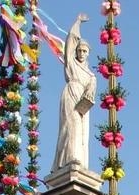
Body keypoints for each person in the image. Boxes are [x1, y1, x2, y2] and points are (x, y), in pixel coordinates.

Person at [51, 14, 96, 172]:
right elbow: (70, 41)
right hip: (71, 93)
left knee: (83, 131)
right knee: (71, 125)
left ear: (88, 53)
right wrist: (78, 22)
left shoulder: (91, 75)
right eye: (79, 50)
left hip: (83, 101)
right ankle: (69, 158)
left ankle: (80, 160)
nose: (81, 53)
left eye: (84, 51)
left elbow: (91, 91)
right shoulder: (71, 63)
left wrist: (90, 92)